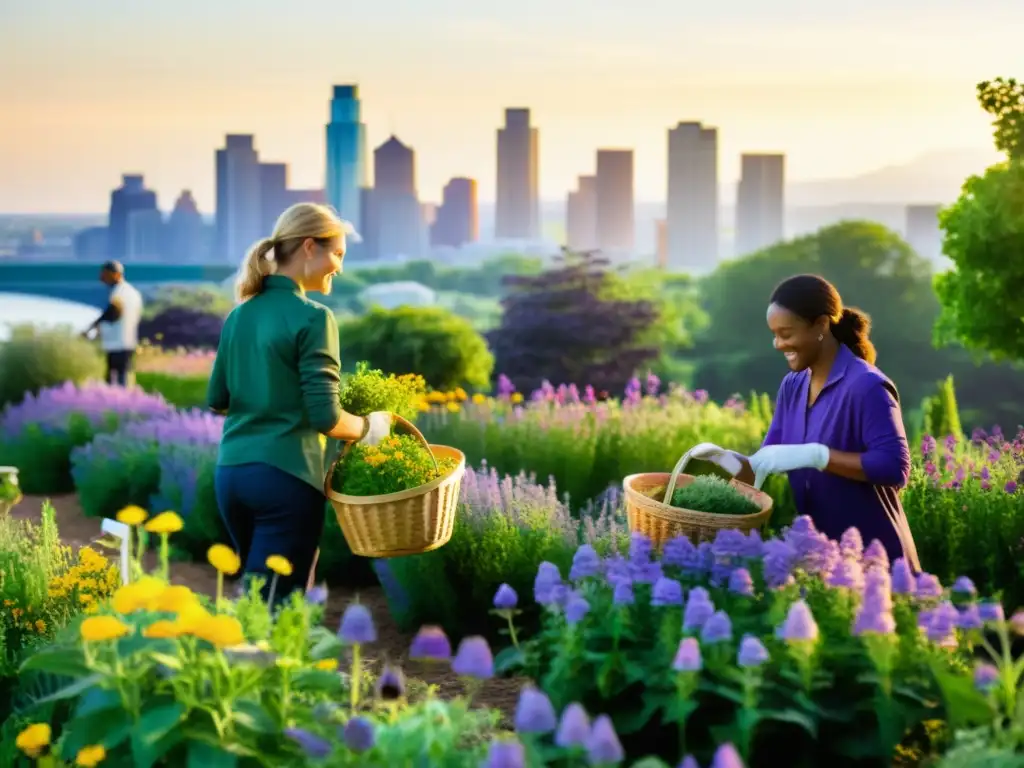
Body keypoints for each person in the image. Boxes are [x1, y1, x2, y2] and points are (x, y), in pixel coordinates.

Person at [206, 202, 392, 603]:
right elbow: (325, 416)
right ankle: (245, 665)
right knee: (276, 609)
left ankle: (233, 663)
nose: (339, 267)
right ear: (310, 247)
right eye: (337, 254)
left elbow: (216, 398)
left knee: (257, 597)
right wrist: (370, 428)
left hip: (232, 475)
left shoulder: (239, 315)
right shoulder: (314, 318)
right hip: (285, 477)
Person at [690, 274, 921, 570]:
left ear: (822, 325)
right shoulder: (793, 385)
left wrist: (816, 455)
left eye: (786, 333)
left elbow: (894, 467)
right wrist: (725, 460)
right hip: (821, 560)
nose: (777, 344)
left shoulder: (866, 386)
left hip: (879, 562)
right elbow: (764, 463)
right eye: (774, 334)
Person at [82, 260, 143, 386]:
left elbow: (112, 313)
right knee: (123, 373)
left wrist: (93, 327)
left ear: (115, 274)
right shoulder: (132, 292)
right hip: (127, 341)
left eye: (105, 274)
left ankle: (117, 402)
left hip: (117, 342)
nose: (102, 278)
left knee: (115, 377)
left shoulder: (119, 293)